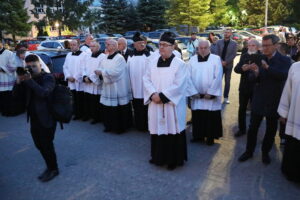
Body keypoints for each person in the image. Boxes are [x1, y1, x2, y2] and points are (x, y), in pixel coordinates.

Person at [238, 34, 292, 165]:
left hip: (274, 100)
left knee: (271, 129)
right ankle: (249, 151)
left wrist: (267, 68)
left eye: (267, 46)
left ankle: (265, 153)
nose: (264, 48)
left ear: (275, 45)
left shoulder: (284, 60)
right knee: (252, 128)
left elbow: (283, 76)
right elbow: (252, 78)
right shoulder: (260, 58)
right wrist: (255, 73)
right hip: (259, 98)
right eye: (263, 46)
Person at [143, 32, 189, 170]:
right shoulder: (152, 62)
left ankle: (173, 160)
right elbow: (146, 79)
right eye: (160, 45)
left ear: (173, 47)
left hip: (171, 105)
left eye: (165, 45)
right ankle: (157, 157)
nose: (161, 47)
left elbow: (179, 85)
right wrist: (152, 94)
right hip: (155, 103)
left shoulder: (179, 64)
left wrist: (162, 97)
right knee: (157, 129)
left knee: (172, 130)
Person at [13, 55, 59, 182]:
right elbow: (16, 97)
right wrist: (18, 81)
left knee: (46, 145)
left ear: (40, 65)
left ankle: (53, 169)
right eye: (29, 67)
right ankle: (50, 166)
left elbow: (43, 92)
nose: (32, 68)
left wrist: (29, 80)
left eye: (34, 66)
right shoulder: (29, 79)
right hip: (34, 118)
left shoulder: (48, 77)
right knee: (39, 145)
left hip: (47, 118)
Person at [188, 40, 223, 145]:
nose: (203, 50)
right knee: (198, 116)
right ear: (197, 48)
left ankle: (210, 137)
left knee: (210, 117)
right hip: (197, 95)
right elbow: (187, 77)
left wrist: (211, 92)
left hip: (210, 95)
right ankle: (198, 136)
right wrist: (193, 91)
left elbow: (218, 76)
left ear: (209, 48)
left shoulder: (215, 59)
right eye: (200, 48)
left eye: (205, 48)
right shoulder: (192, 60)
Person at [95, 39, 132, 133]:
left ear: (114, 46)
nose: (106, 45)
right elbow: (101, 67)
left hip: (117, 87)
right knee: (108, 108)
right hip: (108, 88)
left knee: (117, 108)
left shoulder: (119, 58)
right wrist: (99, 72)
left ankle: (119, 128)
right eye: (105, 44)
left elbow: (116, 73)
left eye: (108, 44)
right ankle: (109, 126)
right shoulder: (105, 57)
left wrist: (102, 72)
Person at [234, 39, 262, 137]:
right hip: (244, 87)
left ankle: (253, 129)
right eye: (249, 45)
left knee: (255, 110)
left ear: (258, 47)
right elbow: (236, 69)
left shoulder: (262, 56)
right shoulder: (244, 55)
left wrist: (257, 71)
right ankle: (242, 129)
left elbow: (265, 73)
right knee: (242, 108)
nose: (250, 47)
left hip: (256, 88)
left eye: (253, 45)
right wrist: (242, 68)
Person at [278, 61, 300, 183]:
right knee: (294, 144)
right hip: (296, 114)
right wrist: (283, 112)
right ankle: (291, 172)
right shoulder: (295, 67)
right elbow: (288, 90)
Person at [127, 32, 151, 131]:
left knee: (146, 107)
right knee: (136, 106)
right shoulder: (130, 56)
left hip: (146, 87)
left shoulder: (150, 55)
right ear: (134, 44)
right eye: (139, 43)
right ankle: (138, 125)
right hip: (134, 86)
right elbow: (127, 71)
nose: (142, 44)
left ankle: (147, 125)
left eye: (143, 42)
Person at [63, 40, 88, 120]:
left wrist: (75, 77)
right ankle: (76, 113)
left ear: (78, 45)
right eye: (71, 45)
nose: (72, 46)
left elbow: (83, 68)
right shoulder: (68, 55)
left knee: (81, 98)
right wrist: (68, 76)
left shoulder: (84, 55)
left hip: (79, 81)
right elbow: (65, 67)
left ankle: (83, 114)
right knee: (73, 98)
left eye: (74, 45)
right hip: (71, 81)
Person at [82, 41, 106, 124]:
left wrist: (91, 78)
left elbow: (100, 69)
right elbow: (84, 67)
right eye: (90, 46)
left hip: (95, 83)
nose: (91, 48)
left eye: (93, 46)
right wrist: (85, 77)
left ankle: (97, 117)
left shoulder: (103, 56)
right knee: (88, 100)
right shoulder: (88, 55)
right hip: (87, 82)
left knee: (96, 101)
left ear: (98, 47)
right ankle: (89, 115)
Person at [215, 29, 237, 104]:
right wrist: (221, 61)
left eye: (228, 32)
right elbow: (217, 52)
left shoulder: (234, 43)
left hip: (229, 65)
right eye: (225, 32)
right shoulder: (219, 42)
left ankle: (226, 97)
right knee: (217, 81)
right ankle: (217, 96)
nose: (226, 34)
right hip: (219, 64)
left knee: (227, 82)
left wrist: (226, 62)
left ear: (230, 34)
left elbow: (234, 54)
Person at [0, 41, 15, 116]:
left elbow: (13, 66)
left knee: (7, 97)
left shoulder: (9, 53)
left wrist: (1, 69)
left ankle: (7, 112)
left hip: (7, 79)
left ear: (1, 43)